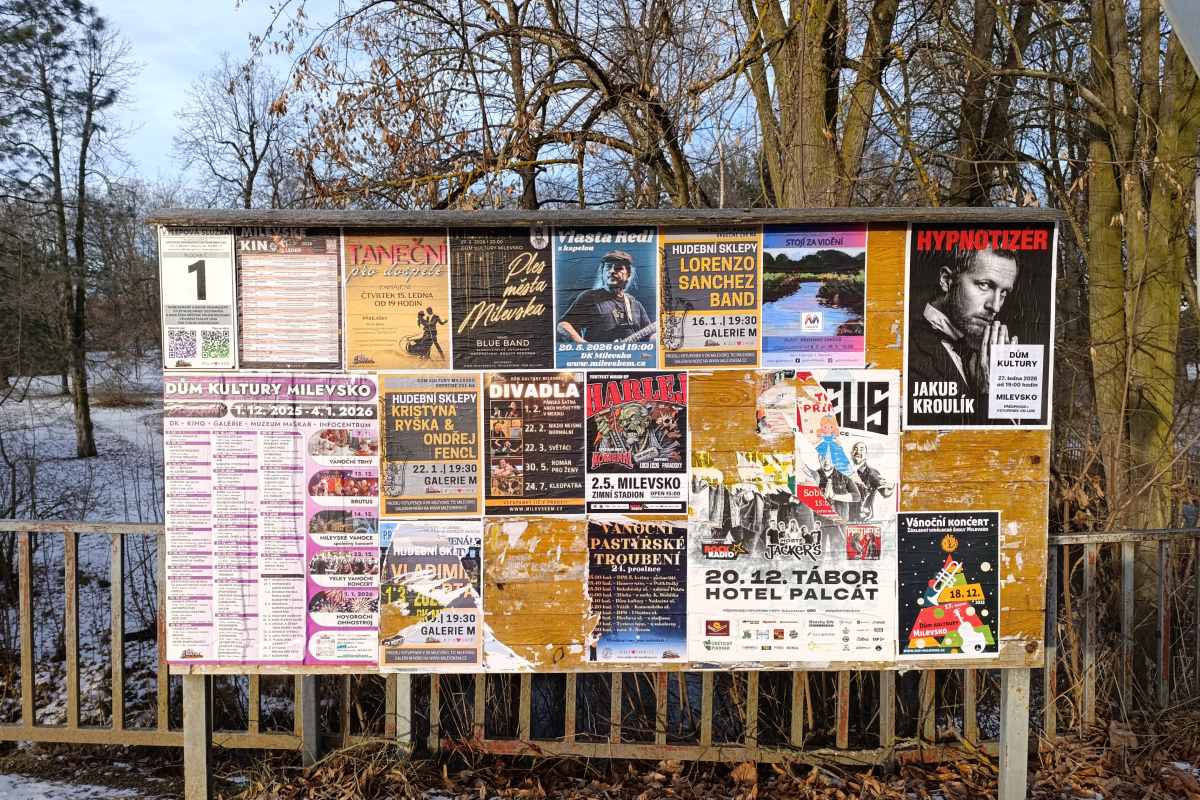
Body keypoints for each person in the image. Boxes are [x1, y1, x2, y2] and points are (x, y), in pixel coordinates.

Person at [908, 247, 1019, 425]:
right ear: (947, 280)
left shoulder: (983, 358)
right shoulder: (909, 357)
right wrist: (989, 396)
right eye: (984, 285)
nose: (995, 306)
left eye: (1004, 292)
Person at [557, 250, 656, 343]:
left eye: (618, 268)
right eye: (608, 267)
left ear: (628, 275)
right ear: (602, 272)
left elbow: (650, 336)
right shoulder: (590, 297)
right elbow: (563, 325)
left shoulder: (636, 306)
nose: (612, 271)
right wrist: (584, 346)